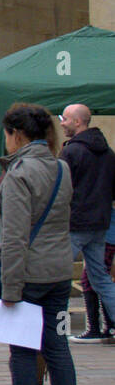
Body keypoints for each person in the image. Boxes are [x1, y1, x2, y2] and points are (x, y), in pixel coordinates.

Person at [0, 103, 77, 385]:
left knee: (24, 351)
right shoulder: (61, 167)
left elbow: (13, 237)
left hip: (29, 273)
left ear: (16, 135)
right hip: (59, 270)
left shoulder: (19, 174)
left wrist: (9, 289)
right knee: (58, 348)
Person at [59, 104, 115, 340]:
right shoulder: (108, 153)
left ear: (78, 122)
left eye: (65, 119)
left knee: (57, 275)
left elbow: (60, 189)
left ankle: (56, 330)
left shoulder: (71, 152)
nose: (61, 123)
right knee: (100, 277)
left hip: (75, 223)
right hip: (100, 223)